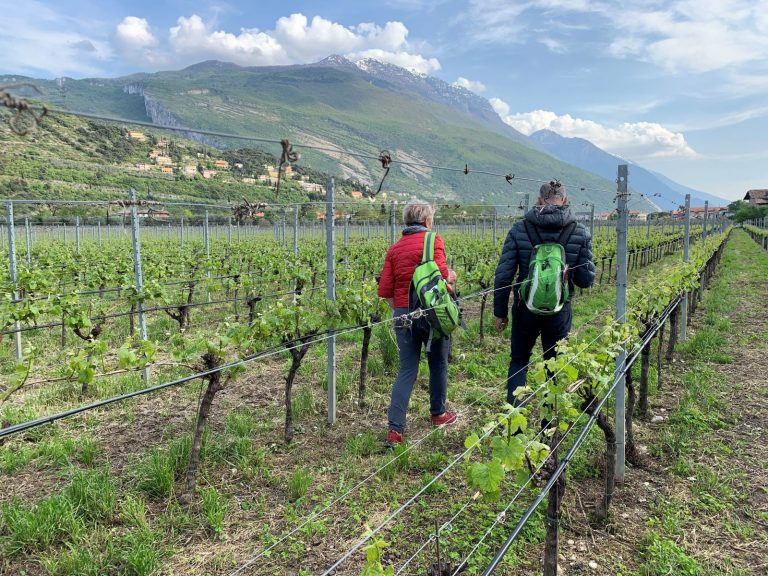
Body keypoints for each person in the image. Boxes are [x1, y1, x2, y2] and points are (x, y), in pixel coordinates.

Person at [493, 181, 596, 405]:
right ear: (565, 201)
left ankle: (514, 425)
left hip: (525, 308)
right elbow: (586, 280)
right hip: (559, 309)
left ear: (539, 200)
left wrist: (500, 313)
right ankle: (549, 427)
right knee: (555, 364)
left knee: (519, 361)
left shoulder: (520, 229)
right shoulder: (579, 231)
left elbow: (503, 275)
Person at [378, 200, 458, 446]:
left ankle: (395, 430)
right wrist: (452, 276)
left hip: (403, 314)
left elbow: (385, 290)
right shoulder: (433, 240)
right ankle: (438, 413)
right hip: (432, 312)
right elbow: (443, 276)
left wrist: (401, 309)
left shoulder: (394, 249)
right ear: (426, 221)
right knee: (438, 363)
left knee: (407, 369)